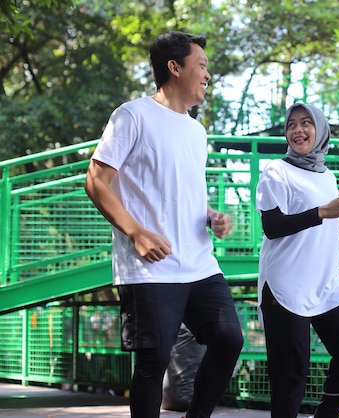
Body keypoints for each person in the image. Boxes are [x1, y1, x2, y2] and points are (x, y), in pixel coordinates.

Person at [84, 31, 243, 418]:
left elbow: (182, 190)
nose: (208, 74)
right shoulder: (132, 115)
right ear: (175, 68)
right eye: (201, 65)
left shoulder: (196, 130)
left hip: (199, 262)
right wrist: (136, 232)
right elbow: (94, 180)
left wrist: (210, 216)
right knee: (153, 361)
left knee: (229, 338)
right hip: (149, 267)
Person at [255, 102, 339, 418]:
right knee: (290, 376)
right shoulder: (276, 170)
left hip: (327, 281)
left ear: (320, 130)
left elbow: (314, 228)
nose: (298, 130)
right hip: (285, 285)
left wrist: (337, 242)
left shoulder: (327, 176)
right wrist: (322, 212)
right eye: (291, 124)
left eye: (306, 123)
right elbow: (274, 226)